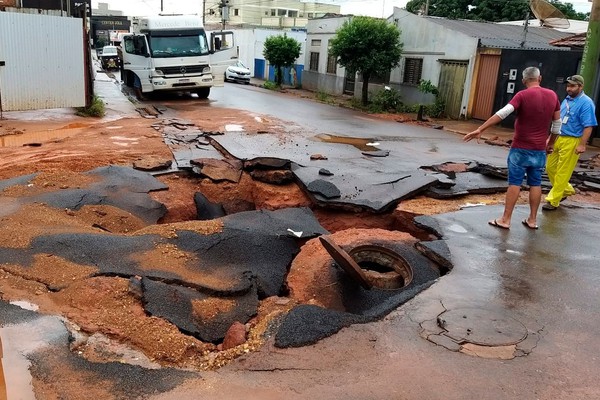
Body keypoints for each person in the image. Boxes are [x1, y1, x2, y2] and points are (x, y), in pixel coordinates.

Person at [463, 66, 561, 230]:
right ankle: (532, 220)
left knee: (515, 183)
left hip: (520, 148)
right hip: (539, 150)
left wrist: (481, 129)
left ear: (523, 81)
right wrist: (550, 143)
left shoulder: (522, 95)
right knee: (536, 184)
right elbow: (557, 124)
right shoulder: (553, 95)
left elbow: (503, 113)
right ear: (540, 78)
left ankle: (506, 220)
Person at [543, 75, 598, 210]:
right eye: (568, 86)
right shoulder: (566, 100)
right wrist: (550, 138)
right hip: (558, 137)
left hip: (572, 140)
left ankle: (553, 200)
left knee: (563, 171)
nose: (569, 89)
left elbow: (588, 126)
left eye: (573, 86)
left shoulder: (586, 103)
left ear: (580, 86)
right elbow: (558, 120)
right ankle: (566, 190)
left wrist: (582, 144)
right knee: (550, 167)